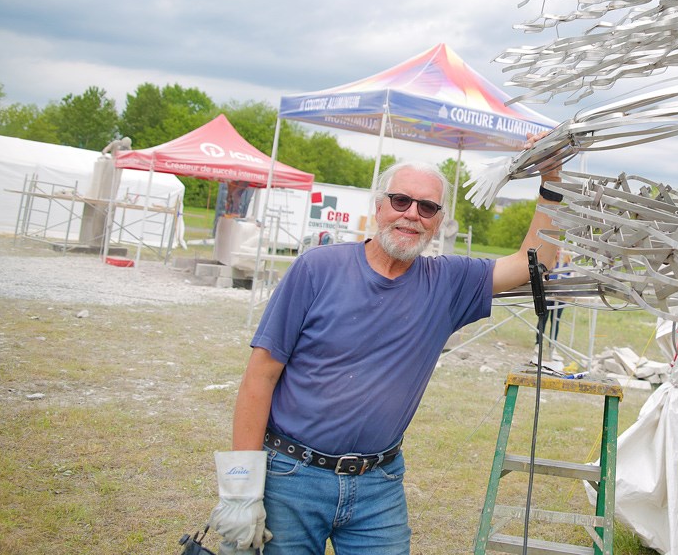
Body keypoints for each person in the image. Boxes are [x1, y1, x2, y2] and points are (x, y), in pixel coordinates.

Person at [208, 151, 563, 555]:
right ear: (378, 207)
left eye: (427, 207)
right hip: (291, 476)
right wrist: (241, 489)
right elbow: (260, 376)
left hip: (378, 485)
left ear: (439, 221)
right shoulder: (317, 269)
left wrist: (551, 180)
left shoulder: (448, 283)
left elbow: (534, 263)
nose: (412, 214)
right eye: (401, 201)